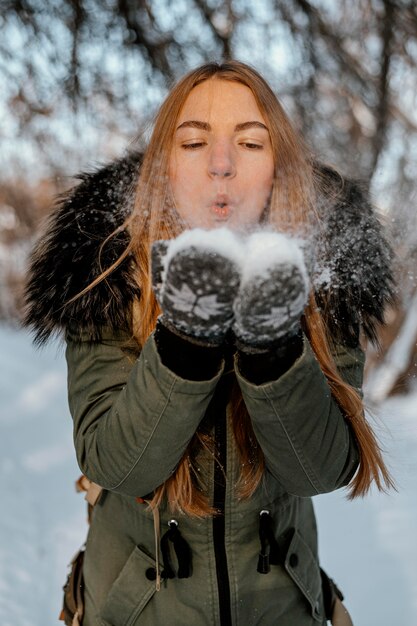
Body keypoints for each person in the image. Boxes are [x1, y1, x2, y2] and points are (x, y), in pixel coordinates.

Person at [24, 61, 394, 626]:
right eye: (194, 142)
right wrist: (185, 340)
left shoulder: (324, 277)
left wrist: (273, 348)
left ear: (278, 166)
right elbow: (116, 464)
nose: (221, 165)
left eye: (250, 142)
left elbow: (320, 470)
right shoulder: (107, 268)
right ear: (164, 167)